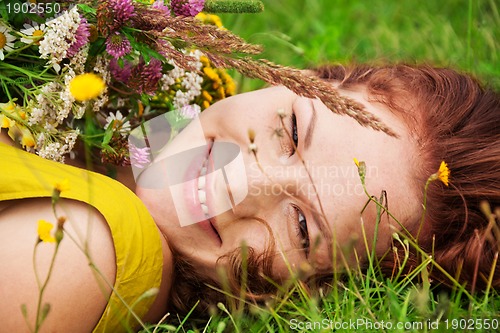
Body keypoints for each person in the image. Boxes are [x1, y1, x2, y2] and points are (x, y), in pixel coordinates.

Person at [0, 63, 498, 332]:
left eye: (302, 227)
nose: (244, 179)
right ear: (303, 78)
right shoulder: (120, 92)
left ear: (312, 293)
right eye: (292, 130)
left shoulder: (86, 254)